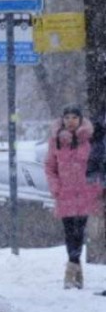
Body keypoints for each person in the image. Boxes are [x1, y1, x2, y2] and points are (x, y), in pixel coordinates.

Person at [44, 104, 103, 289]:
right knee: (70, 233)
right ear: (62, 120)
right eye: (67, 117)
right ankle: (73, 270)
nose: (70, 121)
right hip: (65, 194)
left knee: (80, 231)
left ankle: (73, 271)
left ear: (80, 119)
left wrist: (97, 187)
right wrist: (56, 187)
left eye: (74, 118)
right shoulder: (56, 141)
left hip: (86, 193)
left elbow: (98, 163)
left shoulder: (90, 139)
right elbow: (50, 167)